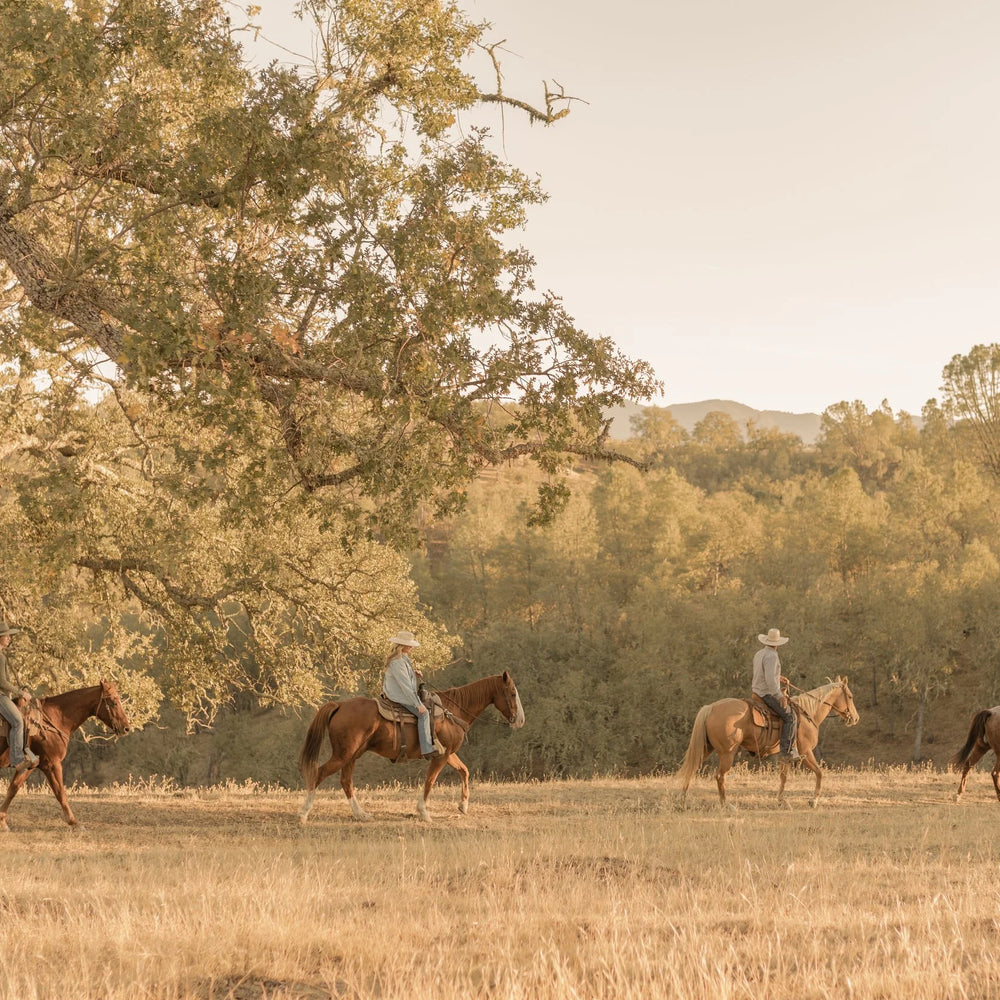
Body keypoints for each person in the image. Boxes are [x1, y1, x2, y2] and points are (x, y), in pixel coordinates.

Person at [382, 630, 444, 758]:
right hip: (398, 695)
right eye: (408, 644)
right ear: (401, 645)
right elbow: (405, 686)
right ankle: (426, 749)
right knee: (424, 714)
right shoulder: (397, 661)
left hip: (401, 692)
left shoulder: (403, 658)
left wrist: (413, 673)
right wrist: (417, 704)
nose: (411, 647)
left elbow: (405, 676)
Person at [752, 627, 799, 761]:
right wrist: (780, 696)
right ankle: (787, 751)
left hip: (756, 691)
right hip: (766, 694)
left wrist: (779, 677)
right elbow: (770, 681)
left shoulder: (759, 653)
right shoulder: (772, 655)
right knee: (791, 716)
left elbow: (763, 673)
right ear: (777, 643)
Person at [0, 622, 39, 775]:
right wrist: (21, 693)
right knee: (18, 721)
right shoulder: (1, 657)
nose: (9, 638)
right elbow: (2, 682)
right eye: (7, 636)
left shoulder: (2, 656)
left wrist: (17, 692)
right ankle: (17, 761)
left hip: (4, 695)